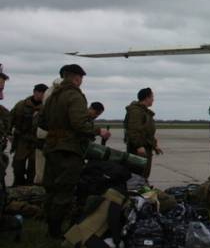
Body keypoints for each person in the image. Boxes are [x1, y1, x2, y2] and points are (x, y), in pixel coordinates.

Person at [39, 64, 110, 238]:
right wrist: (97, 131)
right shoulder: (74, 96)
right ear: (76, 78)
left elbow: (41, 122)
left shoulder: (53, 96)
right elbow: (79, 123)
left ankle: (49, 225)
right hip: (68, 150)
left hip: (52, 147)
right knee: (64, 190)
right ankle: (56, 231)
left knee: (51, 189)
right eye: (81, 78)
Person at [9, 83, 46, 186]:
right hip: (22, 140)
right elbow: (10, 119)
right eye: (40, 93)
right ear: (35, 92)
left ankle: (30, 189)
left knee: (33, 169)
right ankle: (18, 185)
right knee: (18, 167)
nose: (42, 95)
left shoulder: (45, 108)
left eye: (44, 93)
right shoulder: (21, 105)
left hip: (37, 142)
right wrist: (9, 134)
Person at [125, 88, 162, 180]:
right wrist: (139, 146)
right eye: (152, 97)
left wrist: (155, 145)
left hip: (145, 148)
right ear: (147, 98)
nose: (153, 99)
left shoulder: (144, 112)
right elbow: (133, 130)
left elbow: (147, 132)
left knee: (143, 174)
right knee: (137, 175)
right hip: (138, 149)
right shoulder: (136, 111)